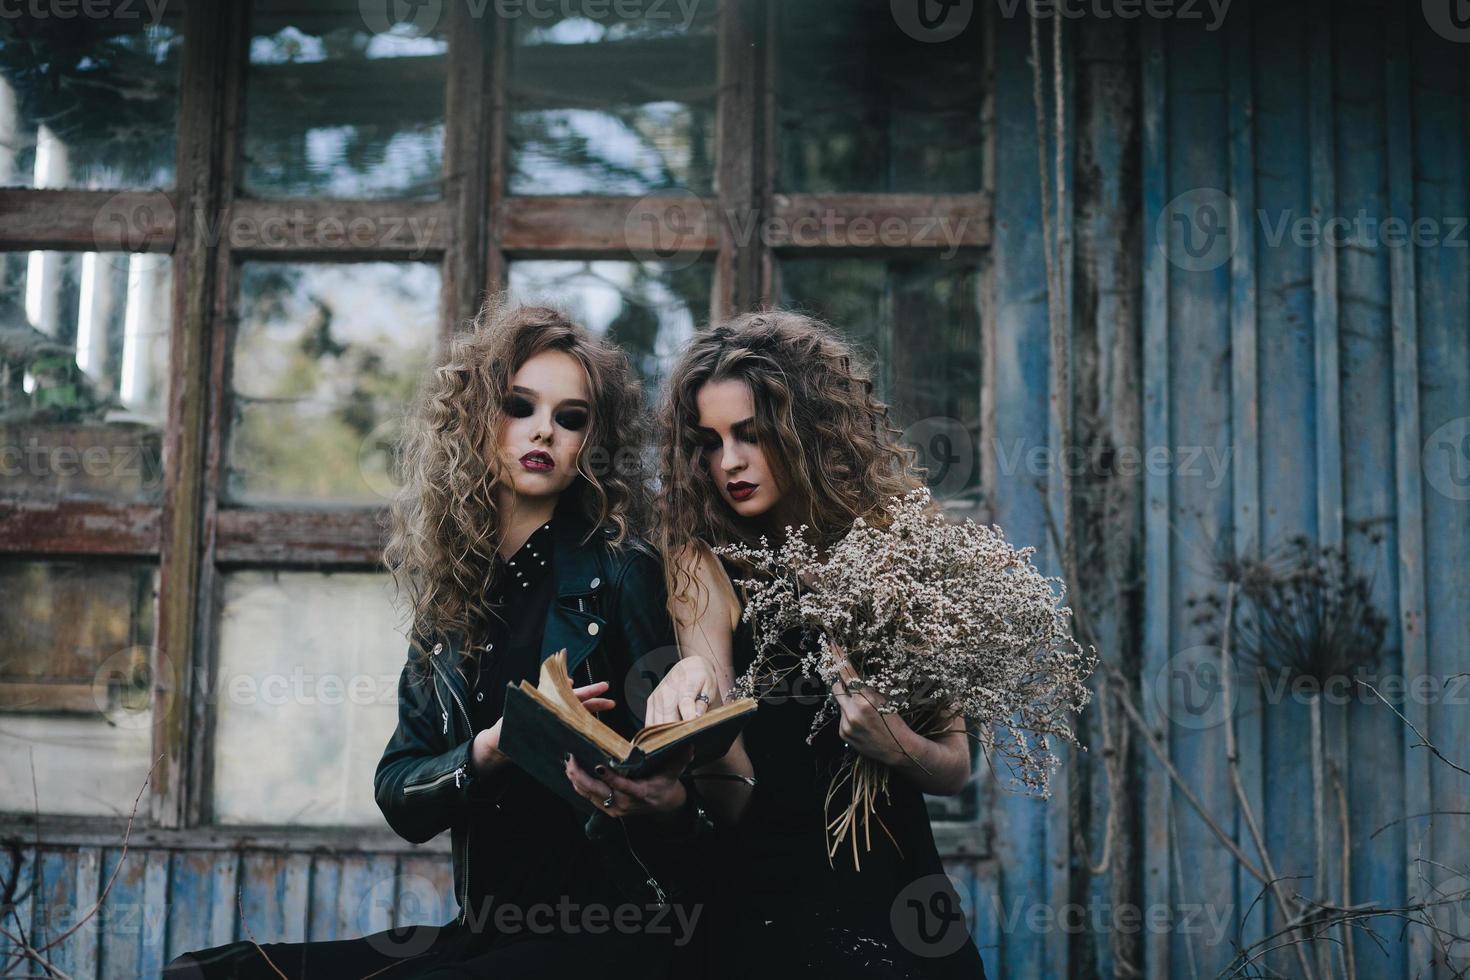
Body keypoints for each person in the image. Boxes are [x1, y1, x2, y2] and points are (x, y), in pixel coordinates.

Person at [166, 301, 709, 979]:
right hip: (485, 930)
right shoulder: (455, 591)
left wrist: (635, 780)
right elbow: (400, 794)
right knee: (211, 973)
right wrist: (495, 745)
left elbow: (701, 789)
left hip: (612, 932)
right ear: (477, 417)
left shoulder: (624, 572)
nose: (544, 429)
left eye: (571, 418)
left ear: (590, 446)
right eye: (520, 406)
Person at [642, 311, 989, 980]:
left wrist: (895, 745)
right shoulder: (702, 557)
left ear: (805, 430)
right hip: (767, 894)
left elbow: (953, 765)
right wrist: (695, 695)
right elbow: (713, 697)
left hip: (899, 884)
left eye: (750, 434)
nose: (729, 463)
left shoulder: (896, 545)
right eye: (708, 443)